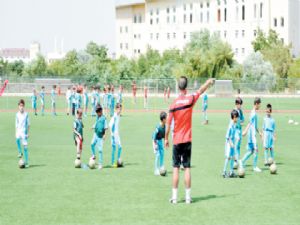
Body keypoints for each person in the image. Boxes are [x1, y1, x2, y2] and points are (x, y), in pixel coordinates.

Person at [165, 76, 214, 204]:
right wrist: (208, 82)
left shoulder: (173, 104)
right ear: (186, 87)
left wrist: (166, 138)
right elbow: (200, 90)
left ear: (178, 87)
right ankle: (187, 198)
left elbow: (168, 124)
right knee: (187, 168)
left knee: (175, 168)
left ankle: (174, 198)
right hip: (187, 139)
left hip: (176, 140)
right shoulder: (190, 99)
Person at [240, 97, 263, 172]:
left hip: (252, 135)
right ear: (256, 104)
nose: (260, 106)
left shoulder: (254, 112)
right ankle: (255, 166)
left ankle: (241, 162)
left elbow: (255, 125)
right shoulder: (253, 113)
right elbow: (250, 123)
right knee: (256, 150)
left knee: (251, 151)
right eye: (259, 104)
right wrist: (245, 131)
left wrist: (259, 132)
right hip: (251, 136)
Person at [90, 105, 108, 170]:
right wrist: (93, 126)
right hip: (95, 134)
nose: (97, 113)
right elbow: (96, 123)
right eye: (96, 111)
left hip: (100, 136)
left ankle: (100, 164)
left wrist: (105, 135)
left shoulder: (104, 119)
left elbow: (106, 128)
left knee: (100, 150)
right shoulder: (97, 117)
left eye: (98, 111)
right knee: (92, 144)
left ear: (101, 111)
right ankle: (93, 155)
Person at [223, 110, 239, 178]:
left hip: (232, 143)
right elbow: (227, 136)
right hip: (229, 144)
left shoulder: (234, 124)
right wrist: (231, 143)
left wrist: (236, 138)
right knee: (228, 157)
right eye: (237, 117)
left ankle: (231, 172)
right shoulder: (230, 125)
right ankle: (224, 172)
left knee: (232, 157)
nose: (237, 119)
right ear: (234, 117)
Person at [15, 99, 30, 168]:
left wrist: (28, 133)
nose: (21, 107)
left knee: (25, 148)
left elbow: (28, 124)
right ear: (18, 106)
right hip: (18, 131)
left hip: (24, 132)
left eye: (22, 106)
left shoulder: (26, 114)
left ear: (24, 106)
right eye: (20, 105)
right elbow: (16, 124)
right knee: (17, 139)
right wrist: (16, 131)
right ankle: (20, 152)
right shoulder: (17, 114)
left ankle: (26, 162)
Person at [109, 103, 123, 167]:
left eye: (121, 109)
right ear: (116, 109)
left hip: (117, 134)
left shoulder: (118, 115)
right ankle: (112, 163)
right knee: (114, 148)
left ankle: (118, 161)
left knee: (120, 147)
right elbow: (110, 125)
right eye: (119, 109)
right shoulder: (114, 116)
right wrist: (112, 135)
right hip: (114, 135)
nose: (120, 110)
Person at [234, 97, 245, 164]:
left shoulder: (240, 111)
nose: (240, 106)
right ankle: (235, 159)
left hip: (239, 130)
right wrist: (240, 122)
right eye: (239, 104)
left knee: (238, 146)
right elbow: (235, 122)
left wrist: (240, 122)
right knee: (236, 145)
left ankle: (237, 159)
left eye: (241, 104)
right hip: (235, 130)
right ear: (236, 104)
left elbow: (243, 119)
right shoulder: (235, 111)